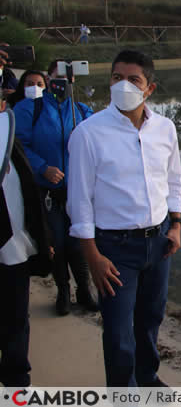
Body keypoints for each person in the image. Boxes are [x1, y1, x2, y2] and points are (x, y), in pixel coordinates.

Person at [67, 50, 181, 387]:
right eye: (117, 77)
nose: (123, 85)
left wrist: (176, 225)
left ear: (150, 88)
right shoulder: (88, 134)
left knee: (150, 320)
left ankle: (147, 378)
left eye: (133, 79)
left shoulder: (164, 128)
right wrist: (92, 257)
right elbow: (79, 202)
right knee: (118, 332)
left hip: (159, 243)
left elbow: (174, 181)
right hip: (115, 249)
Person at [13, 60, 97, 316]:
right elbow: (18, 144)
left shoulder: (82, 111)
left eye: (66, 78)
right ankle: (63, 291)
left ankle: (84, 289)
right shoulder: (30, 108)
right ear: (48, 80)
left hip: (77, 191)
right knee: (57, 242)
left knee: (78, 240)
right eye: (55, 77)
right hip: (47, 191)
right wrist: (42, 168)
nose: (61, 83)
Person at [1, 101, 53, 388]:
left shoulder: (8, 137)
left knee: (17, 319)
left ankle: (17, 382)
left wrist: (43, 239)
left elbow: (30, 194)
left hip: (14, 249)